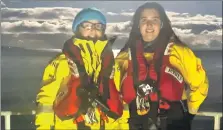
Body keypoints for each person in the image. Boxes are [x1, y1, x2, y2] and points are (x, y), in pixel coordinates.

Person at [114, 2, 209, 130]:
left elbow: (199, 84)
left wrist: (190, 111)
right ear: (138, 25)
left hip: (173, 123)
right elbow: (115, 94)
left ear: (162, 24)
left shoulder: (179, 52)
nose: (149, 25)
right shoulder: (124, 58)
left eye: (155, 20)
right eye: (144, 20)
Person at [35, 8, 123, 130]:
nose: (92, 29)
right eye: (86, 25)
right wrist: (43, 127)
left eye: (98, 26)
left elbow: (121, 100)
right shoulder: (62, 62)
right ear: (77, 29)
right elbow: (46, 100)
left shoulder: (112, 65)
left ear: (103, 30)